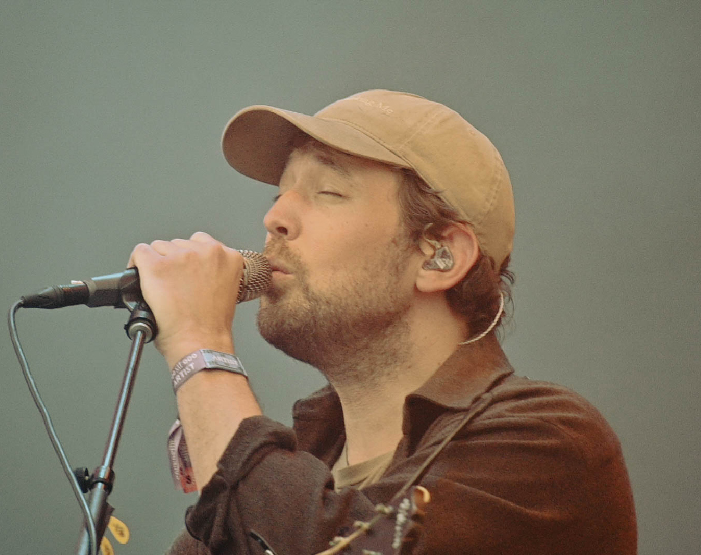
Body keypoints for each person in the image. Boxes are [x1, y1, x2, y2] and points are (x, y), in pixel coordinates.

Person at [128, 90, 637, 555]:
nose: (275, 217)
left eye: (327, 192)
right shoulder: (302, 460)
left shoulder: (546, 445)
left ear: (439, 256)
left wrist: (200, 345)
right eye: (279, 194)